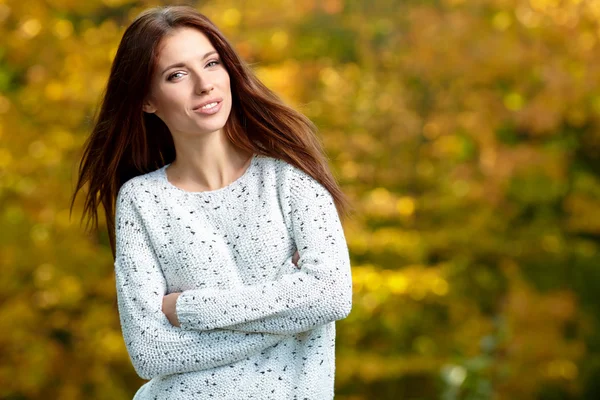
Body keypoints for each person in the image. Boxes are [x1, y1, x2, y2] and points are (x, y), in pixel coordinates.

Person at [71, 4, 353, 400]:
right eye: (177, 74)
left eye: (212, 63)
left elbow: (331, 296)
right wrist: (291, 312)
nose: (204, 85)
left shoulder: (290, 182)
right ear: (146, 100)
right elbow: (151, 353)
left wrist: (187, 310)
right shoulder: (143, 201)